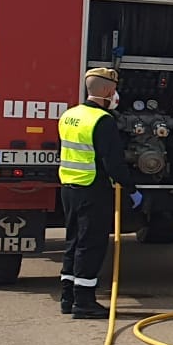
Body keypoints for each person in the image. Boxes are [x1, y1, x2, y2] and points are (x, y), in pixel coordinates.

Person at [58, 67, 140, 318]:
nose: (115, 94)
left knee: (73, 242)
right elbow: (113, 162)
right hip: (92, 190)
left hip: (69, 188)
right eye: (113, 89)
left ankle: (67, 297)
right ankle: (84, 302)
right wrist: (131, 189)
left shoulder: (69, 115)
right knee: (90, 245)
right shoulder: (102, 121)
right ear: (106, 90)